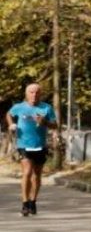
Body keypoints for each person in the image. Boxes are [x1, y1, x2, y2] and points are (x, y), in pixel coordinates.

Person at [8, 83, 57, 216]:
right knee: (27, 172)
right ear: (26, 93)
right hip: (23, 144)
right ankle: (25, 204)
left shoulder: (47, 108)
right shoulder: (19, 107)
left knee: (37, 175)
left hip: (40, 145)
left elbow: (55, 125)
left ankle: (32, 201)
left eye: (37, 92)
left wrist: (45, 122)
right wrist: (11, 124)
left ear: (40, 94)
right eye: (31, 92)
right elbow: (9, 114)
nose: (34, 95)